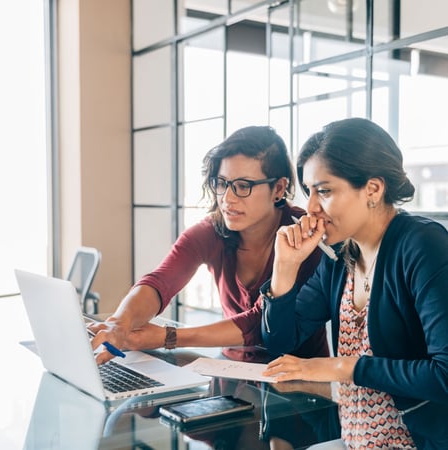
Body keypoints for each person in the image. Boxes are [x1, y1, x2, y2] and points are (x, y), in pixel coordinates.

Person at [260, 117, 448, 449]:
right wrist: (285, 268)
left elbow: (444, 376)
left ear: (373, 189)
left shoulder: (422, 245)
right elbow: (280, 342)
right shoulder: (340, 256)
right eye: (308, 191)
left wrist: (342, 367)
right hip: (352, 442)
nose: (311, 208)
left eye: (325, 191)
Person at [90, 125, 328, 364]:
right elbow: (160, 281)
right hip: (231, 371)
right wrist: (119, 323)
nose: (227, 198)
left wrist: (169, 337)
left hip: (298, 384)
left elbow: (259, 324)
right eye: (222, 183)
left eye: (243, 186)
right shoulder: (213, 230)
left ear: (278, 188)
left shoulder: (304, 236)